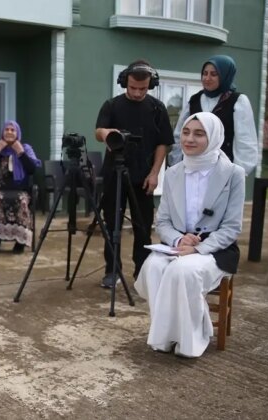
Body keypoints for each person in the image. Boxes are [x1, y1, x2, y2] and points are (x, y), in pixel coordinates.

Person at [134, 112, 245, 358]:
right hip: (178, 244)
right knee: (152, 267)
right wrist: (178, 240)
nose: (189, 139)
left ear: (214, 137)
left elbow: (231, 228)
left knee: (181, 271)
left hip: (215, 249)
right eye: (185, 132)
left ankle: (192, 339)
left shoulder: (233, 174)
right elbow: (162, 221)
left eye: (199, 133)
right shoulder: (173, 172)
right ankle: (166, 336)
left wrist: (197, 248)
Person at [95, 59, 174, 288]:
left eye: (143, 88)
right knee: (112, 226)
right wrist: (107, 133)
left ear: (150, 84)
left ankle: (142, 271)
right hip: (114, 173)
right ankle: (112, 271)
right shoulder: (111, 105)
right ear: (124, 83)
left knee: (142, 226)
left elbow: (163, 144)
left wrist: (155, 173)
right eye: (133, 88)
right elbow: (99, 130)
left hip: (143, 176)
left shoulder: (158, 108)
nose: (138, 92)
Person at [168, 55, 258, 176]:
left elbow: (246, 142)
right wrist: (176, 167)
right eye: (205, 73)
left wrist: (237, 173)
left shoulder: (238, 101)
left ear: (225, 75)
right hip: (192, 171)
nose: (207, 78)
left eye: (214, 74)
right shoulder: (194, 100)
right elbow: (179, 136)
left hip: (223, 172)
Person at [0, 120, 41, 254]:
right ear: (2, 132)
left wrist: (20, 152)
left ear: (17, 133)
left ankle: (20, 242)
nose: (9, 132)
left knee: (22, 201)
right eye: (6, 129)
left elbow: (32, 170)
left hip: (21, 190)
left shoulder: (25, 148)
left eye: (12, 130)